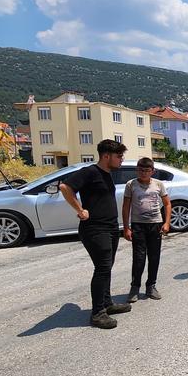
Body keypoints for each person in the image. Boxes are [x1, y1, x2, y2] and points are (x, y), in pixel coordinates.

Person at [60, 139, 130, 329]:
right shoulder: (90, 172)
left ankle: (107, 303)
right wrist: (80, 209)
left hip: (109, 228)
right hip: (95, 229)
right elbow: (65, 187)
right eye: (119, 156)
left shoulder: (107, 174)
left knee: (107, 267)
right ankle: (98, 313)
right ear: (106, 156)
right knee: (102, 268)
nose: (121, 160)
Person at [122, 157, 171, 302]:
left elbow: (167, 204)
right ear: (137, 170)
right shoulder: (131, 185)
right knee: (139, 258)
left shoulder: (159, 184)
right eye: (140, 170)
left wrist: (167, 223)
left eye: (146, 170)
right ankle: (134, 288)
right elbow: (126, 207)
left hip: (155, 224)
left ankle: (151, 286)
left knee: (154, 257)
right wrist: (126, 228)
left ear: (152, 171)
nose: (143, 173)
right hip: (138, 225)